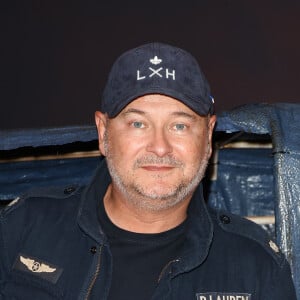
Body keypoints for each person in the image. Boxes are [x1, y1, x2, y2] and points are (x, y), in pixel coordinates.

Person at [0, 42, 296, 300]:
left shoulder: (257, 267)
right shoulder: (23, 227)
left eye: (179, 126)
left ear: (207, 138)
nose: (159, 147)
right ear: (103, 133)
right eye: (138, 124)